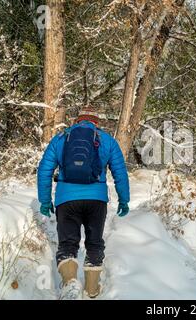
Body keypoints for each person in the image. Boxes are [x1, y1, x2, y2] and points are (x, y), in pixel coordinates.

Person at [37, 107, 130, 299]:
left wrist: (45, 201)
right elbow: (120, 173)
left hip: (66, 199)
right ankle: (91, 289)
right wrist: (124, 199)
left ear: (77, 121)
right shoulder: (107, 140)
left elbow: (44, 170)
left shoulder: (61, 138)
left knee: (68, 243)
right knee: (94, 243)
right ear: (96, 122)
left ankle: (70, 284)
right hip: (96, 200)